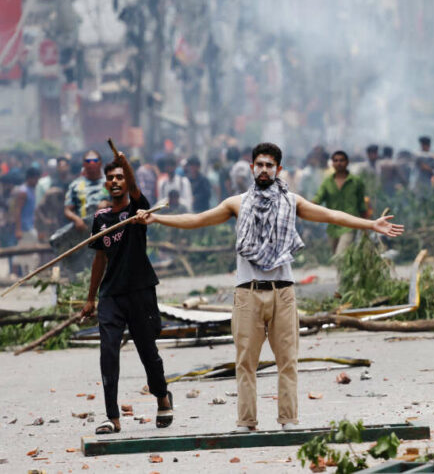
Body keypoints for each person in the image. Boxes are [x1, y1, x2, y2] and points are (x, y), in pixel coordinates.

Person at [143, 142, 404, 431]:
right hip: (247, 292)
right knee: (245, 362)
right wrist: (157, 218)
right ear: (252, 167)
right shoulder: (236, 203)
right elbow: (197, 219)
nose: (264, 169)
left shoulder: (292, 201)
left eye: (270, 165)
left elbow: (331, 215)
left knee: (288, 361)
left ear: (278, 170)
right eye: (260, 164)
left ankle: (288, 420)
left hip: (283, 292)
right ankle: (246, 422)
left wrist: (371, 225)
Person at [79, 151, 173, 435]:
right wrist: (90, 297)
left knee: (148, 351)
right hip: (112, 295)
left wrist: (126, 163)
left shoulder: (138, 211)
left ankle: (162, 397)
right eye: (111, 178)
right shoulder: (101, 218)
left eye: (120, 176)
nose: (115, 181)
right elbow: (99, 260)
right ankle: (112, 417)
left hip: (140, 291)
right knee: (108, 352)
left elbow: (134, 190)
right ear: (106, 185)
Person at [313, 150, 368, 255]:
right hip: (332, 226)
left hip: (350, 224)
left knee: (340, 255)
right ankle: (345, 272)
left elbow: (362, 205)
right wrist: (307, 205)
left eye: (342, 160)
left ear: (347, 162)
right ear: (332, 163)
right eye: (336, 160)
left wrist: (366, 225)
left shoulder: (356, 182)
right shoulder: (327, 182)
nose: (339, 163)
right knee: (337, 257)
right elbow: (318, 198)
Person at [12, 167, 41, 275]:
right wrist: (18, 229)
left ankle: (26, 274)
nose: (37, 182)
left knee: (27, 251)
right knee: (24, 251)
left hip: (30, 225)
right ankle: (17, 273)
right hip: (24, 227)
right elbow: (17, 210)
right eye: (36, 179)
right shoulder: (23, 192)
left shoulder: (32, 190)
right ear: (30, 178)